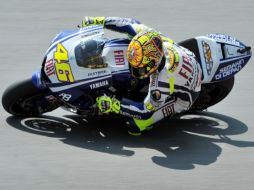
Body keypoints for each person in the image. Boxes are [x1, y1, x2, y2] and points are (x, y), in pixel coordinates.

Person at [82, 17, 202, 136]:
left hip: (188, 94)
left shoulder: (160, 84)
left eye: (139, 68)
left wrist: (115, 104)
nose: (134, 69)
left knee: (135, 125)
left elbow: (144, 111)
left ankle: (152, 122)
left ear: (153, 64)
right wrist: (99, 21)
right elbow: (128, 24)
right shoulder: (151, 37)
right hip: (185, 57)